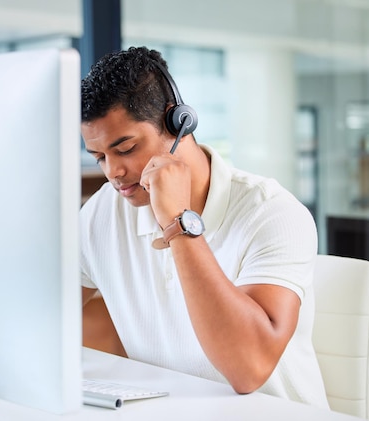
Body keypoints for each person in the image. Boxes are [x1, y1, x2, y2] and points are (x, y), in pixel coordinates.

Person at [80, 46, 329, 408]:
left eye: (127, 148)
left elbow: (249, 368)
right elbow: (39, 314)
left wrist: (179, 223)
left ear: (177, 122)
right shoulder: (103, 211)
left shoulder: (273, 212)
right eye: (100, 157)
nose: (112, 172)